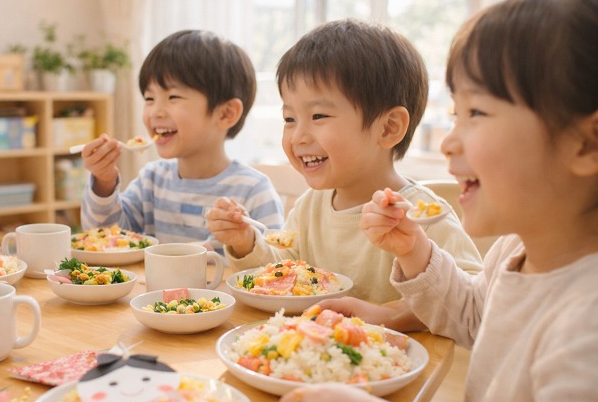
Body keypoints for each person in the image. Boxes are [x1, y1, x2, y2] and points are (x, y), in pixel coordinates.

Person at [277, 0, 598, 402]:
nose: (451, 139)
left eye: (476, 113)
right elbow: (472, 314)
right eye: (455, 114)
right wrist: (415, 254)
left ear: (592, 142)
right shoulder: (514, 251)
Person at [206, 19, 481, 308]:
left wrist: (391, 314)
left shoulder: (422, 217)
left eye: (318, 116)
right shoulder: (310, 206)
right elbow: (284, 268)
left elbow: (471, 300)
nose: (298, 136)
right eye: (289, 119)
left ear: (388, 128)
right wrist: (245, 241)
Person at [78, 30, 284, 253]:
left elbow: (272, 267)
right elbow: (104, 238)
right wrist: (104, 182)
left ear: (226, 114)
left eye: (173, 97)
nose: (155, 111)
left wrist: (243, 243)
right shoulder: (152, 181)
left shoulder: (254, 192)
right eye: (149, 98)